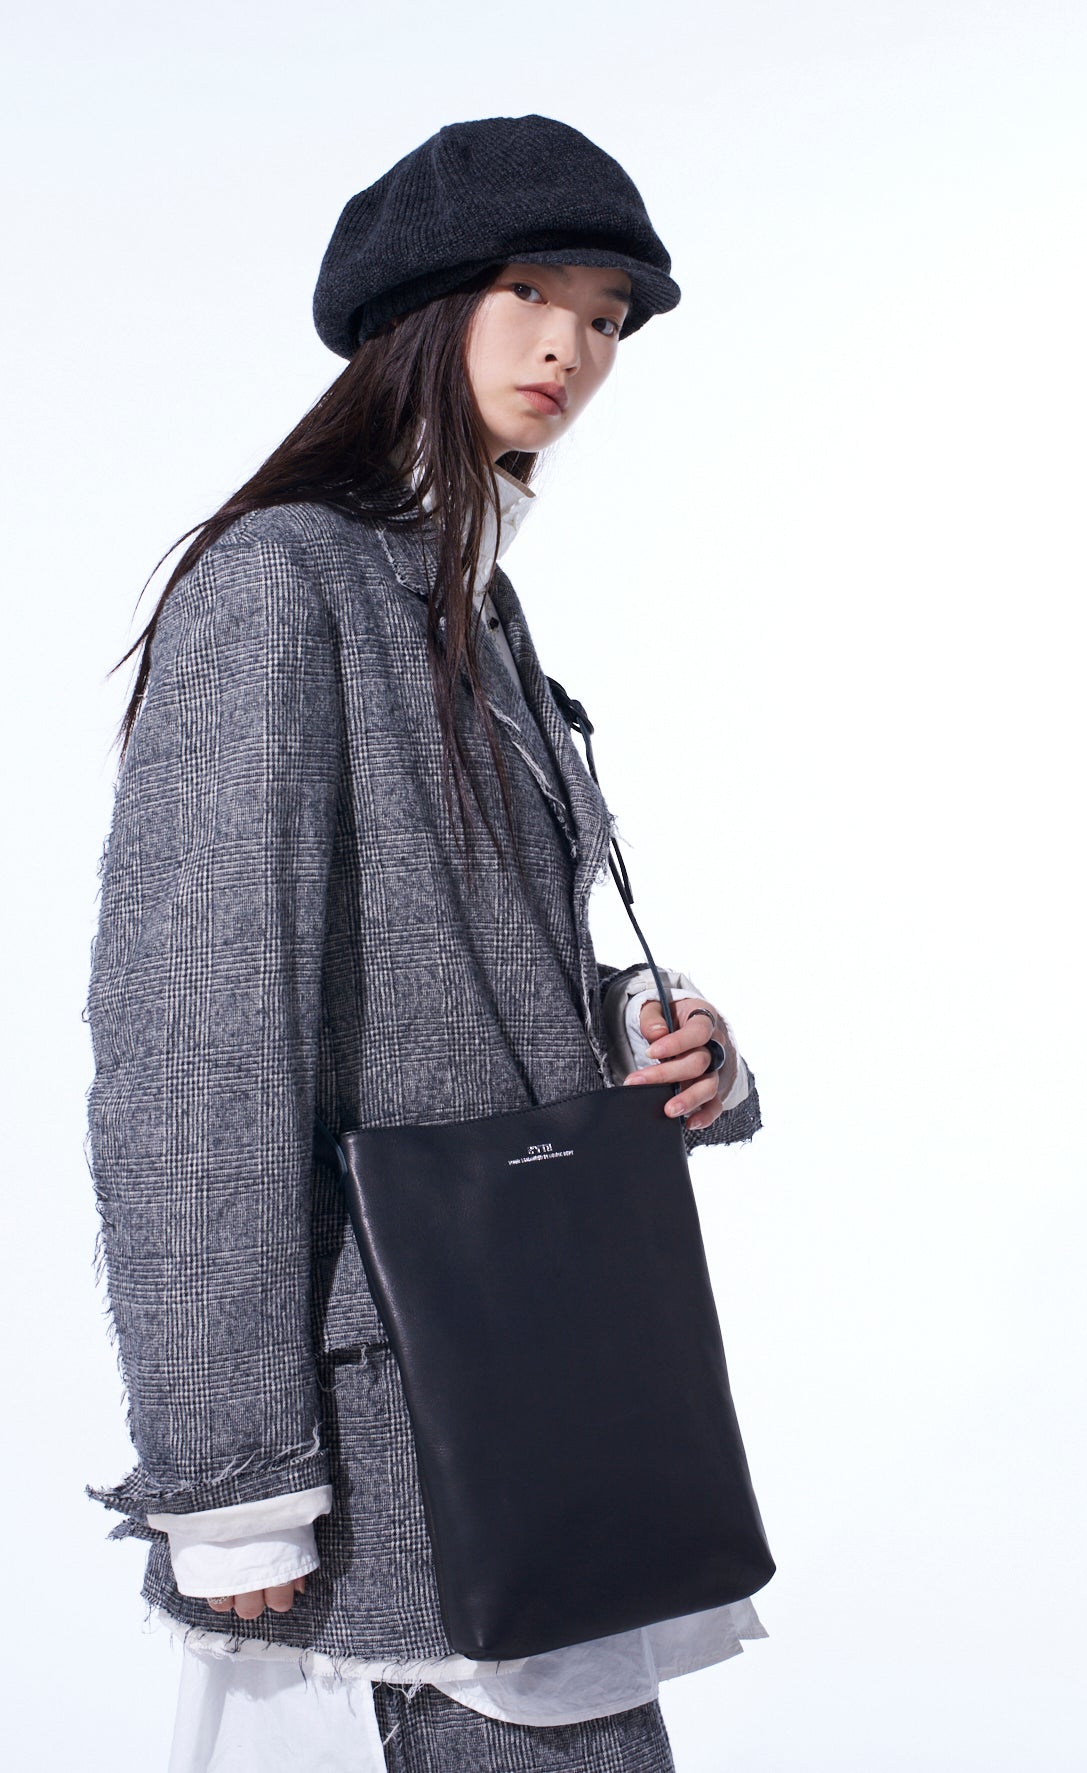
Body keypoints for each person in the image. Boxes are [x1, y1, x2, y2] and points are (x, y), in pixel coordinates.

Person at [85, 113, 767, 1772]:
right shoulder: (283, 584)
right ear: (420, 306)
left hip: (545, 1394)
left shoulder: (469, 602)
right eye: (530, 292)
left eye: (606, 316)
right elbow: (196, 1037)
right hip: (393, 1429)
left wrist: (652, 1029)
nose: (570, 348)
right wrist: (231, 1479)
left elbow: (452, 972)